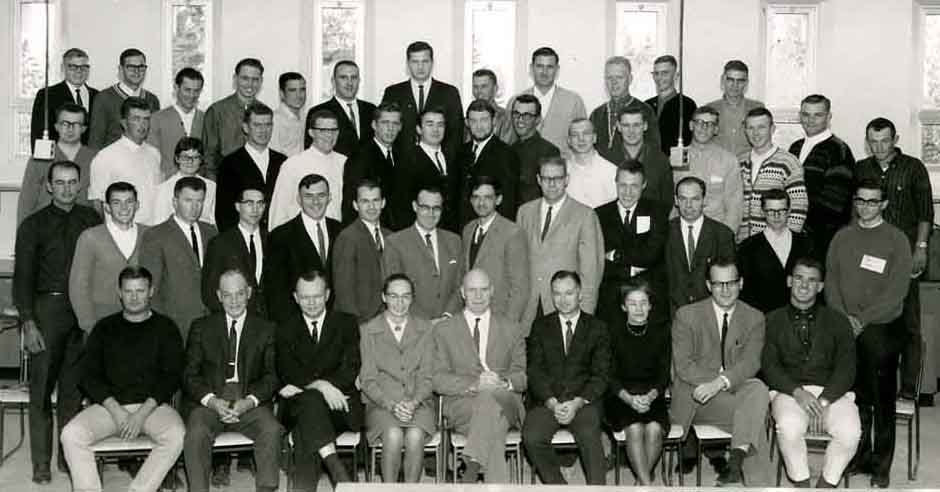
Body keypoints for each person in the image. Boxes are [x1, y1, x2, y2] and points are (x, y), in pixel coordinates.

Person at [13, 160, 102, 483]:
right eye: (60, 183)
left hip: (83, 313)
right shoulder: (33, 225)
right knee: (40, 391)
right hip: (47, 310)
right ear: (49, 186)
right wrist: (28, 321)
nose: (66, 188)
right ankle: (40, 462)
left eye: (72, 182)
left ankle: (68, 457)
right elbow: (22, 279)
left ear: (80, 185)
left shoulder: (90, 219)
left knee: (72, 392)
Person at [60, 266, 185, 492]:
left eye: (140, 290)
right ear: (119, 292)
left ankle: (139, 489)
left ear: (151, 291)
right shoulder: (104, 327)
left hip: (152, 408)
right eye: (128, 291)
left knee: (176, 435)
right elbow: (88, 375)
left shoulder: (166, 328)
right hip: (110, 407)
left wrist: (141, 414)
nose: (134, 297)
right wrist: (116, 410)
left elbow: (172, 376)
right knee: (70, 435)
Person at [825, 179, 912, 488]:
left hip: (882, 329)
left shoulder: (897, 240)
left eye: (872, 201)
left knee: (881, 400)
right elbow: (831, 281)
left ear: (884, 204)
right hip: (846, 327)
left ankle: (882, 464)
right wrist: (844, 318)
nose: (865, 206)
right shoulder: (842, 238)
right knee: (855, 398)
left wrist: (862, 319)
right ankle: (859, 457)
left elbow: (897, 291)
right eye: (860, 200)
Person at [762, 257, 860, 488]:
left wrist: (824, 401)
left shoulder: (838, 321)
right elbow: (769, 366)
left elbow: (847, 368)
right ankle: (802, 483)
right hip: (789, 391)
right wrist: (798, 392)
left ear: (820, 286)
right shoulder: (771, 320)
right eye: (798, 278)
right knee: (788, 426)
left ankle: (826, 484)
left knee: (851, 432)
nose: (804, 285)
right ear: (789, 281)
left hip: (832, 393)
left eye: (812, 280)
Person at [183, 268, 283, 492]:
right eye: (227, 295)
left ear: (249, 292)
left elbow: (272, 375)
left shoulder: (266, 329)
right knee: (196, 433)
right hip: (211, 402)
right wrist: (212, 401)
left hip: (248, 401)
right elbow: (189, 375)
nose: (234, 301)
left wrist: (247, 402)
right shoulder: (201, 327)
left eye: (239, 293)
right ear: (219, 295)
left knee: (271, 429)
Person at [671, 258, 770, 486]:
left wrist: (720, 383)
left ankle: (736, 461)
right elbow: (684, 366)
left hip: (732, 392)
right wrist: (717, 383)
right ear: (708, 285)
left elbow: (751, 362)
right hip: (697, 397)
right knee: (755, 414)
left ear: (741, 283)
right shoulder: (686, 315)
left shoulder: (755, 317)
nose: (725, 290)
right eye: (718, 284)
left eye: (731, 283)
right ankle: (756, 481)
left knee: (757, 389)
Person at [855, 117, 933, 403]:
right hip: (869, 259)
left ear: (896, 139)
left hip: (905, 258)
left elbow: (925, 213)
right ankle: (870, 386)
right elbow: (856, 213)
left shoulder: (913, 168)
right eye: (873, 142)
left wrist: (921, 249)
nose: (879, 147)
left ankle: (909, 389)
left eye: (884, 141)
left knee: (908, 323)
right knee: (871, 319)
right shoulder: (861, 169)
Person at [433, 269, 527, 483]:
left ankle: (470, 468)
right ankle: (474, 465)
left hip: (507, 401)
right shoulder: (444, 330)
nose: (478, 296)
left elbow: (522, 376)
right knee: (494, 430)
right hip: (464, 405)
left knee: (491, 396)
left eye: (483, 290)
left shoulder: (512, 328)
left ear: (492, 291)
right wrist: (475, 385)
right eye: (472, 290)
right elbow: (438, 379)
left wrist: (502, 382)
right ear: (462, 293)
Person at [276, 270, 362, 491]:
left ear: (327, 295)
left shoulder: (346, 323)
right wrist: (322, 386)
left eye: (317, 296)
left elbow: (350, 367)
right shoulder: (284, 328)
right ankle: (337, 470)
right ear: (296, 298)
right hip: (302, 406)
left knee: (307, 422)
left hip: (339, 404)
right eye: (305, 297)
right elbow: (287, 371)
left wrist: (316, 387)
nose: (311, 303)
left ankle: (311, 484)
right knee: (312, 403)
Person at [524, 270, 610, 485]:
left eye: (569, 293)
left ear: (580, 294)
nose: (563, 300)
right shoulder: (540, 326)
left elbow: (601, 374)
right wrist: (552, 403)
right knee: (532, 436)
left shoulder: (598, 328)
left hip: (583, 401)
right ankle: (559, 487)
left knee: (591, 435)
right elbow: (535, 371)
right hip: (548, 401)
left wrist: (577, 402)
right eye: (557, 294)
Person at [359, 274, 437, 483]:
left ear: (412, 299)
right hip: (381, 405)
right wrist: (392, 405)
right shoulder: (368, 331)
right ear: (383, 297)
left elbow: (428, 375)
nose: (399, 303)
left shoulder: (426, 329)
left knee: (415, 436)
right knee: (392, 435)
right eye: (393, 296)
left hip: (419, 404)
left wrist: (413, 402)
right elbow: (367, 379)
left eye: (405, 296)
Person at [517, 156, 604, 331]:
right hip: (529, 309)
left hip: (566, 308)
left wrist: (584, 317)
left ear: (566, 180)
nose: (552, 184)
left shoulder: (585, 215)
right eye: (547, 179)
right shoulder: (524, 212)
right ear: (538, 180)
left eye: (557, 178)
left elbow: (591, 273)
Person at [604, 279, 671, 485]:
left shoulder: (661, 332)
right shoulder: (611, 332)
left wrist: (650, 397)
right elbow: (608, 375)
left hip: (653, 395)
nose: (639, 309)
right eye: (632, 303)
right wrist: (630, 399)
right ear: (624, 306)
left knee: (653, 429)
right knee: (634, 429)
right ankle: (647, 484)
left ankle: (640, 485)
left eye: (643, 303)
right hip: (620, 396)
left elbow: (664, 375)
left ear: (650, 305)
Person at [140, 177, 218, 341]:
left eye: (199, 201)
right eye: (188, 200)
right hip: (175, 325)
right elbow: (150, 289)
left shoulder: (211, 232)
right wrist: (163, 326)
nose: (194, 207)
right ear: (175, 202)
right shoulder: (156, 235)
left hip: (211, 323)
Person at [595, 162, 671, 324]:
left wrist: (615, 255)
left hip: (648, 295)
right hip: (611, 296)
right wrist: (632, 266)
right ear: (615, 183)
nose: (628, 192)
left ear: (644, 185)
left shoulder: (657, 211)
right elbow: (598, 260)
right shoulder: (599, 214)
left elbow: (651, 254)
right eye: (623, 185)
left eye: (634, 186)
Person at [70, 181, 147, 334]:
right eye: (117, 203)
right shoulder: (90, 237)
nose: (124, 208)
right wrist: (90, 327)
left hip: (142, 325)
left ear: (137, 205)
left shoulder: (149, 235)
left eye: (129, 202)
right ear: (107, 207)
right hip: (101, 325)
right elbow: (78, 287)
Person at [265, 174, 342, 323]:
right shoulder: (280, 236)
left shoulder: (340, 230)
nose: (315, 202)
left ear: (329, 198)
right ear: (299, 200)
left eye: (321, 195)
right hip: (297, 326)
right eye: (308, 196)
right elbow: (276, 292)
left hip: (336, 325)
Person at [383, 184, 462, 321]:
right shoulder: (395, 243)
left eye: (436, 208)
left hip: (449, 324)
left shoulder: (454, 241)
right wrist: (425, 323)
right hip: (413, 326)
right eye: (425, 207)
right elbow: (394, 292)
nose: (431, 214)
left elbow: (460, 285)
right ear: (415, 206)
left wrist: (447, 316)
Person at [789, 94, 856, 255]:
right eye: (806, 115)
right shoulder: (795, 148)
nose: (810, 120)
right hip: (794, 233)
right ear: (800, 116)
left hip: (824, 238)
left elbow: (834, 203)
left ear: (829, 116)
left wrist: (799, 221)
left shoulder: (839, 150)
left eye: (817, 115)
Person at [461, 175, 530, 323]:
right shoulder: (468, 230)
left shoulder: (513, 233)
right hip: (471, 317)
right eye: (476, 197)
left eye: (487, 197)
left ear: (498, 200)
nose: (481, 203)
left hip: (499, 320)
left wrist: (507, 327)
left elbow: (520, 289)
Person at [381, 41, 463, 161]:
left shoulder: (449, 93)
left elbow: (456, 134)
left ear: (432, 63)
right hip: (402, 164)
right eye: (415, 62)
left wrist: (445, 163)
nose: (420, 67)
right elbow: (386, 131)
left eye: (425, 61)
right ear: (408, 64)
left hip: (439, 165)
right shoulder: (393, 92)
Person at [664, 176, 736, 313]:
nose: (688, 205)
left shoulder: (723, 235)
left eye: (695, 199)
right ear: (676, 201)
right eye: (683, 199)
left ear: (704, 200)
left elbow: (728, 282)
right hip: (672, 315)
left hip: (711, 314)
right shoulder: (664, 232)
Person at [18, 103, 97, 224]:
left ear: (84, 128)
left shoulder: (95, 158)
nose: (70, 129)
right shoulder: (39, 158)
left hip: (82, 229)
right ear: (56, 126)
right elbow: (26, 202)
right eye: (65, 124)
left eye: (76, 124)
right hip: (45, 228)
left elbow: (99, 203)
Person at [738, 189, 815, 313]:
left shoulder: (805, 244)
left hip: (800, 316)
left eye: (781, 210)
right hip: (762, 319)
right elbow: (745, 293)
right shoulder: (748, 247)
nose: (776, 216)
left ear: (789, 211)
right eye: (771, 211)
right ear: (762, 212)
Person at [88, 96, 161, 225]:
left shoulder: (154, 154)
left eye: (146, 119)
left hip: (152, 231)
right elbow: (97, 202)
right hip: (121, 232)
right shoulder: (105, 156)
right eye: (136, 119)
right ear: (123, 122)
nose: (142, 125)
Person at [214, 102, 286, 232]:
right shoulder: (230, 163)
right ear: (246, 127)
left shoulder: (282, 162)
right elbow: (223, 212)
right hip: (244, 241)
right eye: (257, 125)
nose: (263, 131)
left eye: (268, 125)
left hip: (278, 239)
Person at [269, 109, 346, 228]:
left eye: (333, 130)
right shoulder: (293, 164)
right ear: (311, 132)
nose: (329, 135)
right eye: (322, 130)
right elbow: (279, 211)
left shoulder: (344, 162)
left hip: (335, 234)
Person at [739, 107, 807, 241]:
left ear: (772, 129)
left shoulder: (788, 162)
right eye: (751, 128)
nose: (756, 133)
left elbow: (799, 207)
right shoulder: (739, 161)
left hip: (774, 241)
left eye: (761, 127)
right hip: (743, 243)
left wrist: (787, 241)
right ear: (745, 131)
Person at [504, 47, 587, 151]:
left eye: (550, 67)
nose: (544, 72)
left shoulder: (574, 101)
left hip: (562, 164)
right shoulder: (515, 101)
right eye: (539, 66)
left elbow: (583, 140)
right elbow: (507, 141)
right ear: (531, 68)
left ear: (557, 70)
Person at [203, 186, 268, 318]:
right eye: (249, 203)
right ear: (238, 206)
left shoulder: (273, 240)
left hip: (268, 322)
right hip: (234, 319)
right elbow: (210, 291)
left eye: (260, 203)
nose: (255, 209)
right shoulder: (220, 243)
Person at [676, 106, 743, 233]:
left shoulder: (728, 161)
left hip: (716, 232)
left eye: (710, 124)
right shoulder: (677, 158)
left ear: (716, 129)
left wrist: (725, 238)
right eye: (699, 122)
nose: (703, 128)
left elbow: (734, 206)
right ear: (691, 125)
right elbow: (672, 202)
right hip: (683, 232)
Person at [333, 178, 392, 322]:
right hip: (362, 321)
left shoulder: (391, 236)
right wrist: (355, 327)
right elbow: (344, 291)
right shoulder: (347, 237)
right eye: (365, 201)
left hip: (389, 318)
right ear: (355, 205)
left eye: (376, 200)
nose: (371, 206)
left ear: (383, 203)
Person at [459, 99, 521, 226]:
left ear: (494, 121)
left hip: (491, 231)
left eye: (484, 120)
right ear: (467, 123)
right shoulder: (461, 152)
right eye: (473, 120)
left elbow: (508, 202)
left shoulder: (506, 154)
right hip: (463, 230)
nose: (479, 126)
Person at [203, 58, 265, 179]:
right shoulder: (217, 110)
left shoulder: (264, 111)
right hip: (225, 179)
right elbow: (208, 156)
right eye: (245, 78)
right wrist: (213, 186)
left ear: (261, 81)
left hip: (256, 179)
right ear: (235, 79)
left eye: (255, 79)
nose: (250, 84)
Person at [88, 48, 160, 149]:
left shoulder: (152, 100)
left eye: (141, 67)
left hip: (144, 160)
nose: (137, 71)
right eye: (131, 67)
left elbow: (154, 139)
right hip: (113, 162)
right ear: (121, 69)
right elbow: (95, 141)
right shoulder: (103, 98)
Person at [590, 56, 659, 161]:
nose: (614, 82)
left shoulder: (645, 110)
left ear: (630, 79)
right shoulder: (596, 114)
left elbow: (654, 150)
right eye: (609, 78)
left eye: (619, 77)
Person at [30, 48, 98, 150]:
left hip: (91, 159)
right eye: (72, 67)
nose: (79, 71)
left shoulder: (98, 96)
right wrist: (44, 162)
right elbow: (38, 133)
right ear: (63, 68)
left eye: (83, 67)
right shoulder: (47, 95)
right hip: (59, 160)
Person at [307, 60, 376, 158]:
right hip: (333, 171)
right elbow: (311, 153)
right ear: (333, 81)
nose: (349, 83)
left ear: (359, 81)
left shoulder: (371, 109)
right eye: (343, 77)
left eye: (354, 78)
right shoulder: (318, 112)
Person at [408, 106, 460, 231]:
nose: (436, 129)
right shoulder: (408, 160)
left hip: (450, 234)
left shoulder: (453, 157)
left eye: (440, 125)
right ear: (419, 129)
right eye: (430, 124)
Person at [147, 67, 205, 179]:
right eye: (187, 90)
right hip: (167, 184)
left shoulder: (206, 119)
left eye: (196, 91)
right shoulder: (157, 119)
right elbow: (151, 158)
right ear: (176, 88)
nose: (192, 95)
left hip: (198, 186)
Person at [613, 107, 675, 208]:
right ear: (619, 127)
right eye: (626, 125)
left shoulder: (660, 159)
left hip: (652, 219)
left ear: (645, 126)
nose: (631, 131)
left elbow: (667, 201)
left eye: (636, 125)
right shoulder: (607, 157)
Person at [704, 60, 764, 157]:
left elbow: (764, 143)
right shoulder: (709, 109)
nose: (735, 85)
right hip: (718, 167)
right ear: (723, 80)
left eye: (740, 81)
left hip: (748, 166)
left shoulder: (757, 108)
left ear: (746, 83)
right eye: (730, 80)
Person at [151, 137, 217, 225]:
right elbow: (159, 222)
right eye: (185, 157)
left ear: (201, 160)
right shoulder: (164, 189)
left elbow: (213, 220)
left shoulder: (211, 186)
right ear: (177, 159)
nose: (190, 161)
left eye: (195, 157)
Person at [510, 94, 561, 203]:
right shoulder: (509, 150)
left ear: (538, 120)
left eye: (527, 116)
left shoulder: (549, 151)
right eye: (516, 114)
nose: (520, 120)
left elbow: (551, 193)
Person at [645, 54, 697, 155]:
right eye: (656, 73)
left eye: (665, 73)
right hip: (650, 163)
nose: (659, 78)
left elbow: (692, 139)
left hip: (676, 165)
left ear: (676, 76)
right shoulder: (647, 105)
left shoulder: (687, 105)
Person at [563, 118, 617, 209]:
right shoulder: (562, 171)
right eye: (575, 135)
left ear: (594, 138)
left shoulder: (611, 171)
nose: (581, 139)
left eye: (586, 133)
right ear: (569, 141)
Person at [268, 72, 307, 157]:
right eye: (292, 90)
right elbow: (272, 154)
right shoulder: (275, 120)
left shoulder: (306, 117)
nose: (299, 95)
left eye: (302, 89)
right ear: (282, 94)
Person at [468, 69, 509, 142]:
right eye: (475, 87)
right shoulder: (468, 117)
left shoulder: (506, 117)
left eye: (484, 87)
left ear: (495, 88)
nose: (479, 91)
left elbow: (505, 147)